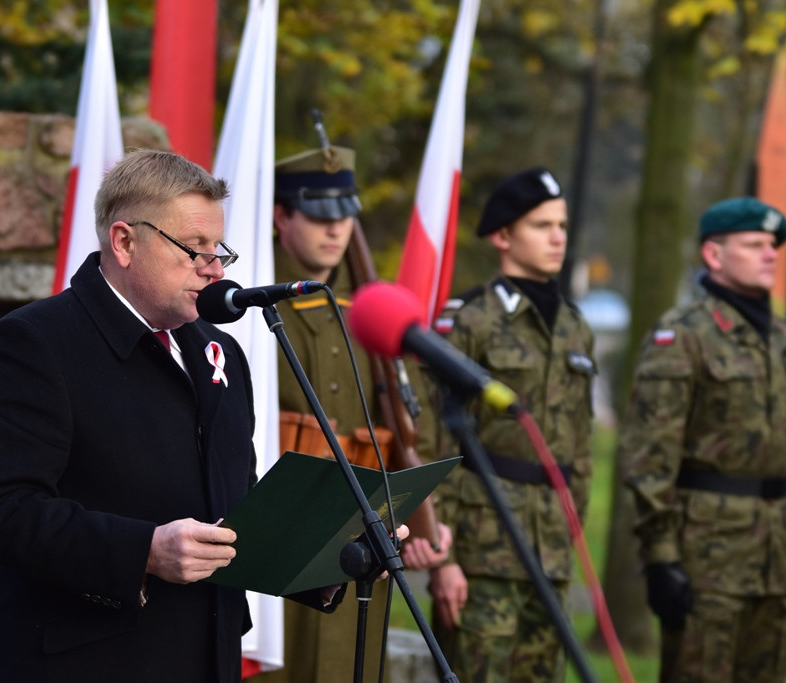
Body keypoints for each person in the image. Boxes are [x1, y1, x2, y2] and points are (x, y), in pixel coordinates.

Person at [0, 149, 348, 682]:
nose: (213, 267)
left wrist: (331, 554)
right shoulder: (36, 342)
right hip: (87, 664)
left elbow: (235, 508)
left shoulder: (220, 354)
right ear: (124, 241)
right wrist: (144, 550)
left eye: (219, 249)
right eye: (194, 248)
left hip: (204, 659)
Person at [251, 145, 446, 683]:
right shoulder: (252, 312)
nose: (335, 229)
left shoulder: (364, 319)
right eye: (318, 214)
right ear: (281, 216)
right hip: (277, 535)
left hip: (356, 537)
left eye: (344, 215)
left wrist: (424, 513)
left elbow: (409, 424)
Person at [406, 166, 596, 682]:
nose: (557, 236)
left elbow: (579, 443)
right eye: (540, 225)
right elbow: (433, 440)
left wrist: (571, 525)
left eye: (561, 224)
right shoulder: (467, 319)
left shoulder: (576, 326)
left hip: (551, 548)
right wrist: (444, 558)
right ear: (503, 236)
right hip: (482, 546)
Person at [623, 196, 786, 683]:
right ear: (714, 255)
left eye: (774, 245)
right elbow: (650, 456)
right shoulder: (684, 336)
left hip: (776, 558)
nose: (771, 253)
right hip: (708, 557)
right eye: (754, 244)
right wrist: (661, 558)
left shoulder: (779, 338)